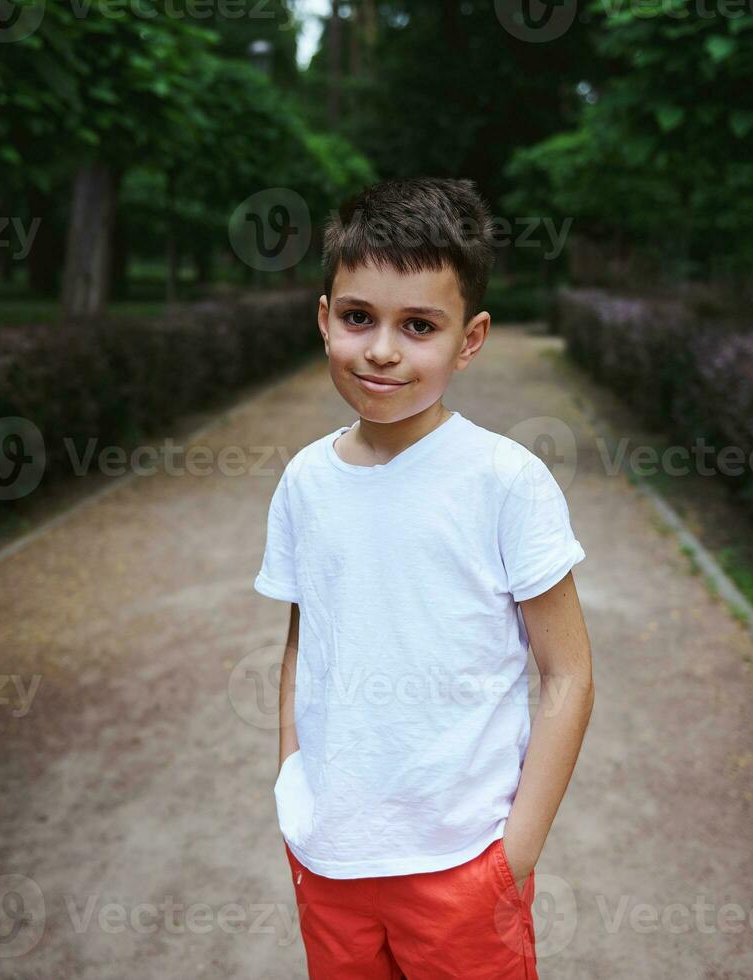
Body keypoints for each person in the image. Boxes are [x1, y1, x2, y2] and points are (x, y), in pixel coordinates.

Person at [253, 176, 596, 978]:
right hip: (330, 860)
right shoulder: (306, 481)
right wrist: (293, 792)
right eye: (357, 318)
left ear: (468, 339)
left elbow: (568, 673)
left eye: (417, 326)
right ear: (323, 317)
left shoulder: (503, 482)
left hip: (462, 864)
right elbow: (304, 647)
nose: (380, 349)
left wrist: (513, 855)